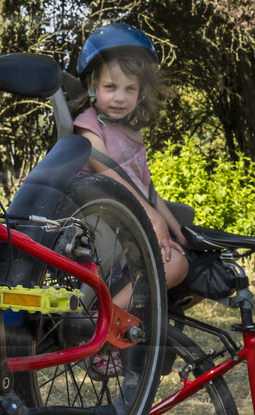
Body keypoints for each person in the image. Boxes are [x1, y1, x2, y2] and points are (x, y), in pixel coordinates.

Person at [71, 23, 191, 291]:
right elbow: (107, 173)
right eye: (110, 87)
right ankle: (103, 321)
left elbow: (147, 190)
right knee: (175, 266)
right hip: (101, 227)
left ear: (140, 92)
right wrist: (154, 220)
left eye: (130, 89)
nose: (120, 98)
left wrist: (180, 233)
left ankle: (139, 317)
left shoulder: (133, 133)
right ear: (92, 86)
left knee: (195, 264)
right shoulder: (88, 125)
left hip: (133, 223)